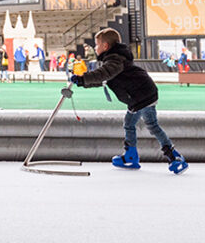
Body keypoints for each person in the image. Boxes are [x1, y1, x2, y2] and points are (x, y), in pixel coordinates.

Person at [70, 28, 188, 174]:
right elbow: (104, 79)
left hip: (142, 95)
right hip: (139, 96)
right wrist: (82, 82)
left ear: (105, 46)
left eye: (97, 45)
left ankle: (173, 155)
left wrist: (83, 78)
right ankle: (131, 155)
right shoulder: (114, 59)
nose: (95, 48)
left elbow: (103, 74)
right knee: (130, 123)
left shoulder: (115, 60)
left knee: (151, 125)